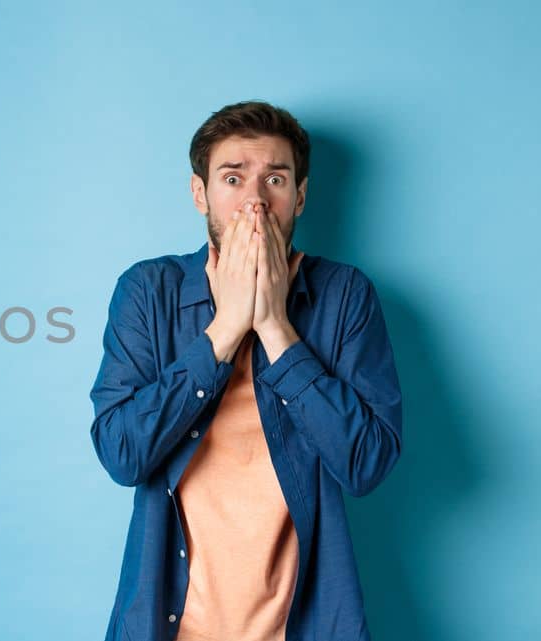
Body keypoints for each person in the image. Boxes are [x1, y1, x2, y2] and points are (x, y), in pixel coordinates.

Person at [88, 101, 403, 641]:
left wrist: (276, 328)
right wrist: (225, 329)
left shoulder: (345, 295)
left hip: (304, 625)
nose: (254, 201)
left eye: (275, 179)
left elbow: (366, 464)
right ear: (199, 192)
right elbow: (123, 453)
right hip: (169, 625)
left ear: (299, 195)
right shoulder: (148, 291)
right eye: (233, 178)